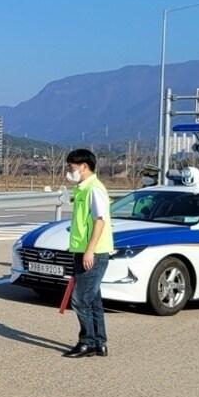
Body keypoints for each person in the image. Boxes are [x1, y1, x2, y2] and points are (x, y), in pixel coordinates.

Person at [63, 148, 113, 358]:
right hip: (83, 250)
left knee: (80, 300)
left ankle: (87, 342)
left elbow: (99, 221)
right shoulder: (82, 189)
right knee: (92, 300)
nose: (69, 171)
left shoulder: (94, 189)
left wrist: (89, 251)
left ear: (83, 166)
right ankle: (99, 342)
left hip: (93, 252)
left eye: (71, 167)